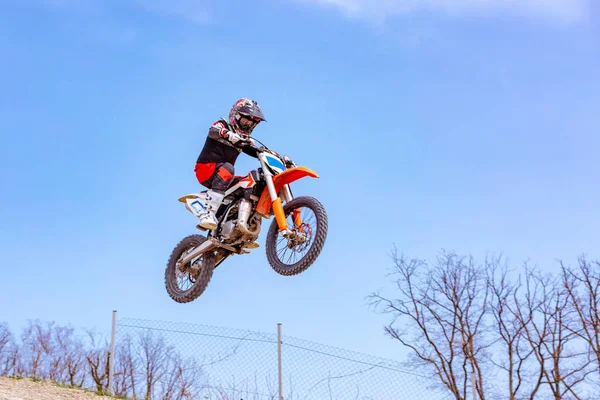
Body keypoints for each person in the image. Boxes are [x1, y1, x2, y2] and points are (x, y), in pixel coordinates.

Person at [194, 98, 266, 231]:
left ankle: (229, 224)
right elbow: (213, 130)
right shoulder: (223, 124)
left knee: (250, 185)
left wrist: (270, 154)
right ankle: (207, 214)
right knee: (228, 168)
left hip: (224, 176)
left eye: (251, 124)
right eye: (245, 121)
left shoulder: (242, 140)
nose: (247, 125)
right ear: (236, 115)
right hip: (206, 169)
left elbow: (257, 152)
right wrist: (227, 134)